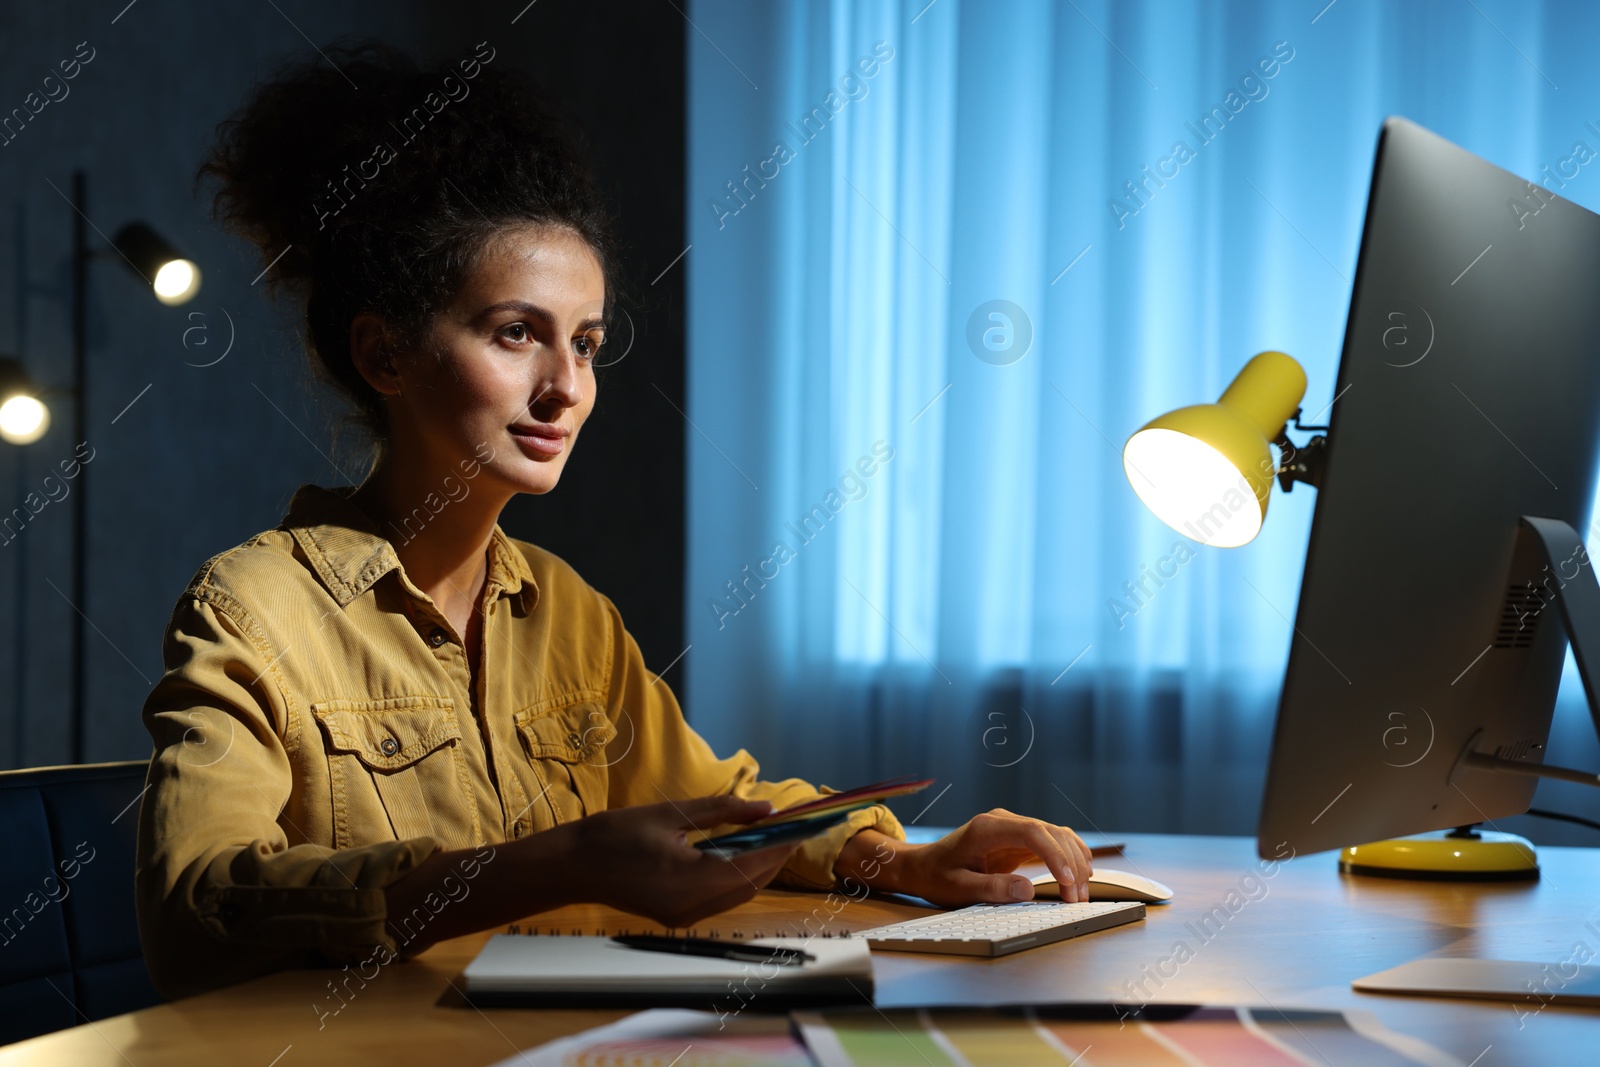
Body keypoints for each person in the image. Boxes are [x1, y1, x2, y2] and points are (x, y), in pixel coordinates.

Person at [134, 41, 1093, 1000]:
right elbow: (200, 901)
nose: (566, 389)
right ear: (387, 354)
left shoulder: (566, 614)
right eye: (517, 333)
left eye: (585, 344)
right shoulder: (255, 610)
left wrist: (903, 862)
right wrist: (567, 860)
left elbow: (729, 804)